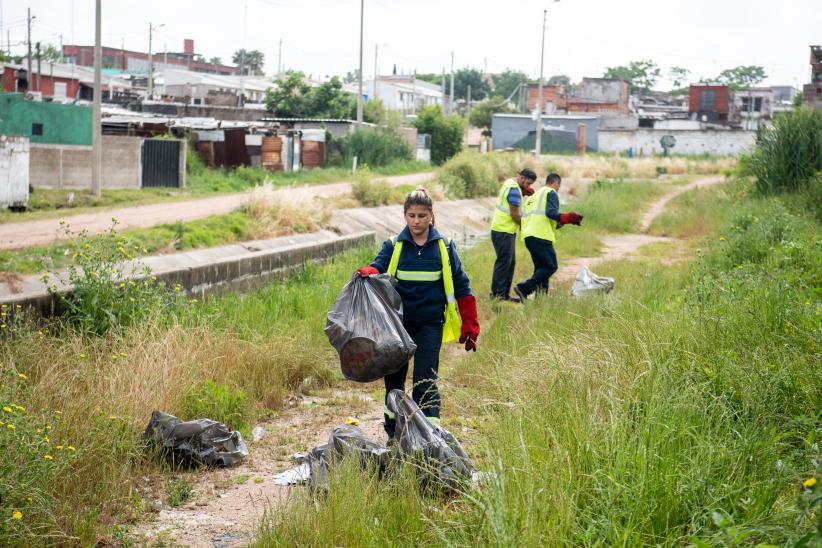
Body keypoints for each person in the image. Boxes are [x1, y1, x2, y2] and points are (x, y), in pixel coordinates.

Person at [355, 188, 480, 440]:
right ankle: (394, 432)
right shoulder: (394, 245)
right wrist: (368, 270)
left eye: (422, 215)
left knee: (425, 380)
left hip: (430, 324)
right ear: (404, 216)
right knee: (395, 381)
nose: (416, 221)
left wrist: (471, 324)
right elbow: (378, 266)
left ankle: (428, 434)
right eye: (411, 215)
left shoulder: (444, 247)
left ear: (431, 216)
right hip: (397, 325)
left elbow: (462, 285)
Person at [513, 173, 583, 301]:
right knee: (551, 266)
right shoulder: (550, 192)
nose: (558, 189)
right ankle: (524, 288)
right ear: (556, 183)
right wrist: (569, 218)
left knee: (541, 268)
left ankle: (541, 299)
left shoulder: (535, 196)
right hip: (541, 236)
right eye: (559, 186)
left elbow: (539, 217)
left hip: (529, 236)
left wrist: (557, 224)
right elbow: (551, 212)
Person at [490, 168, 537, 301]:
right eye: (528, 183)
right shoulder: (514, 190)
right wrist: (526, 226)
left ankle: (504, 294)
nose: (529, 187)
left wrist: (524, 192)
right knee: (504, 262)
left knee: (510, 262)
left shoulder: (510, 183)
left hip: (504, 230)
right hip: (503, 231)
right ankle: (497, 295)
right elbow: (515, 215)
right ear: (521, 178)